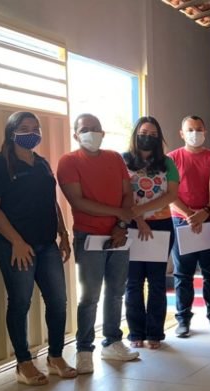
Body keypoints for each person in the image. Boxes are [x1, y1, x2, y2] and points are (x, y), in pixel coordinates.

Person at [0, 111, 76, 385]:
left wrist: (63, 233)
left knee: (58, 301)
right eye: (24, 128)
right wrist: (17, 242)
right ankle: (23, 363)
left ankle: (55, 356)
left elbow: (51, 202)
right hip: (15, 247)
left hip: (47, 245)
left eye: (35, 128)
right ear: (11, 132)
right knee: (20, 302)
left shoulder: (42, 163)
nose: (31, 132)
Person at [58, 113, 140, 374]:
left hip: (119, 236)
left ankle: (113, 342)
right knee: (90, 295)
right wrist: (118, 214)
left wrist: (121, 225)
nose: (91, 133)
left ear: (103, 133)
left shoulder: (114, 158)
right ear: (75, 134)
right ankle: (84, 349)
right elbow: (78, 201)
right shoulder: (69, 161)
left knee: (116, 291)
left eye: (96, 128)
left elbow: (127, 194)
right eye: (85, 129)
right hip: (88, 236)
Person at [122, 116, 179, 350]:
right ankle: (136, 332)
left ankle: (155, 332)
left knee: (156, 282)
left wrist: (142, 212)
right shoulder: (123, 161)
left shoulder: (167, 163)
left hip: (161, 226)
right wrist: (138, 219)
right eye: (144, 133)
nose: (148, 137)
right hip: (131, 226)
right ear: (136, 134)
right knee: (133, 282)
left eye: (153, 135)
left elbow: (171, 195)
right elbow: (121, 193)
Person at [168, 115, 210, 338]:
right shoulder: (171, 159)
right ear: (181, 134)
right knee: (183, 274)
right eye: (190, 129)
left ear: (205, 131)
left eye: (199, 129)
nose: (195, 133)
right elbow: (168, 194)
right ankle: (183, 320)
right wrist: (190, 214)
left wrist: (205, 213)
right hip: (181, 221)